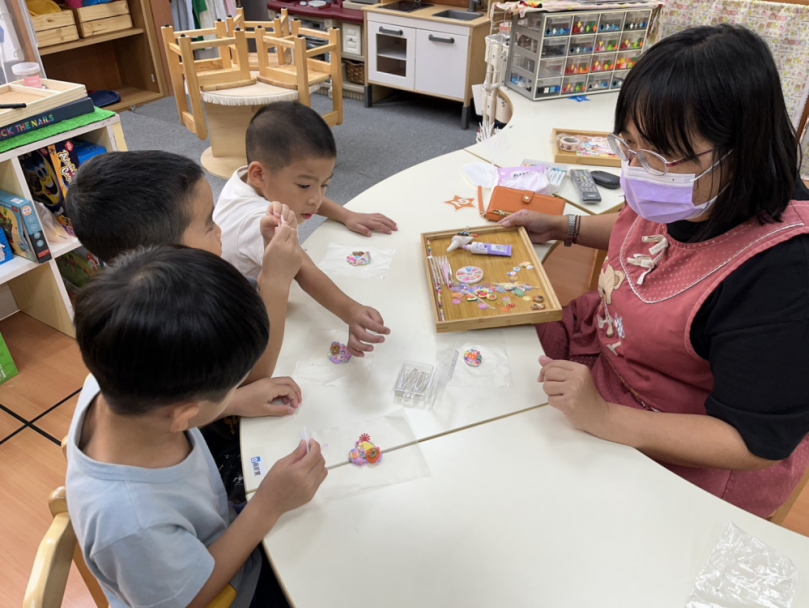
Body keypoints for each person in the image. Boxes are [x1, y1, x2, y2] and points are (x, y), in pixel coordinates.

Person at [502, 24, 809, 518]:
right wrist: (565, 226)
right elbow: (645, 233)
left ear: (740, 149)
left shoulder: (784, 271)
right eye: (628, 147)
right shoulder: (689, 190)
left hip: (687, 440)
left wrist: (603, 418)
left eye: (662, 155)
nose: (640, 171)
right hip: (610, 362)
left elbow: (753, 442)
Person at [66, 246, 327, 608]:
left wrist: (233, 401)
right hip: (225, 591)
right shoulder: (129, 522)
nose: (237, 389)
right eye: (232, 386)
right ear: (184, 414)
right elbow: (190, 598)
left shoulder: (115, 374)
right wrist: (269, 504)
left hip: (208, 529)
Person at [67, 151, 302, 502]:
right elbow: (255, 371)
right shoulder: (157, 333)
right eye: (208, 224)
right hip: (207, 466)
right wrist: (275, 283)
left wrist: (234, 401)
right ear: (163, 255)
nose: (220, 231)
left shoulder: (124, 305)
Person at [214, 101, 393, 359]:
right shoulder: (256, 221)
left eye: (325, 185)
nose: (316, 199)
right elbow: (303, 270)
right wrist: (350, 310)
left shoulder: (249, 180)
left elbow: (305, 199)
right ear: (259, 174)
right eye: (304, 185)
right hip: (238, 316)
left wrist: (346, 215)